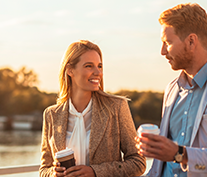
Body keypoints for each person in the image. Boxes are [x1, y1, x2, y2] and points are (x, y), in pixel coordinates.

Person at [136, 3, 207, 177]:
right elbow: (161, 166)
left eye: (167, 43)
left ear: (191, 41)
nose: (162, 51)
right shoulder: (171, 89)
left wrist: (181, 154)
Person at [39, 40, 146, 177]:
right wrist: (53, 174)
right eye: (89, 66)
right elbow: (44, 169)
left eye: (100, 66)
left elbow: (138, 162)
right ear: (70, 70)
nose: (98, 72)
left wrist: (96, 172)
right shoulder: (51, 114)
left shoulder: (116, 107)